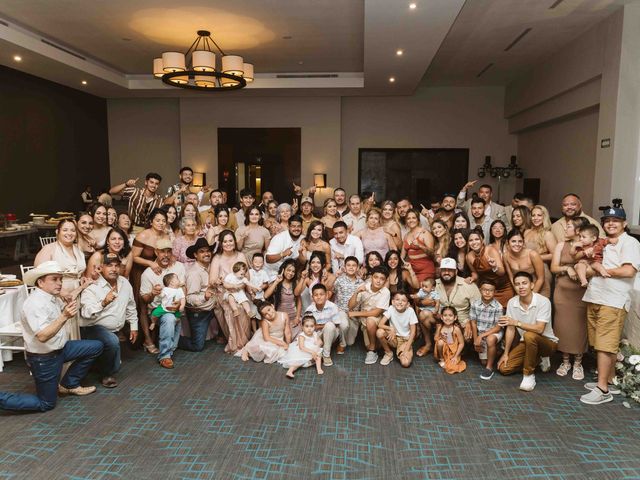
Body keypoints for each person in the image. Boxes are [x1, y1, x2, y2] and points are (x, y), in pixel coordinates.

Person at [0, 261, 103, 412]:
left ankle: (69, 384)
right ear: (40, 282)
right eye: (54, 279)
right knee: (46, 404)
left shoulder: (51, 297)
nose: (59, 283)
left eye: (60, 279)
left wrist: (82, 287)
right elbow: (42, 336)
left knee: (96, 346)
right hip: (44, 359)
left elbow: (68, 298)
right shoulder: (35, 304)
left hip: (61, 349)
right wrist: (64, 316)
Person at [580, 205, 640, 405]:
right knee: (602, 343)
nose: (611, 224)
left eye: (615, 221)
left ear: (624, 224)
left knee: (605, 345)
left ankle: (602, 388)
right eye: (607, 221)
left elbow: (628, 271)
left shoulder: (630, 243)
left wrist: (601, 270)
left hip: (613, 300)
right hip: (596, 296)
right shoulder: (603, 243)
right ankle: (611, 380)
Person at [79, 253, 138, 388]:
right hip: (92, 329)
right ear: (101, 267)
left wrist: (134, 326)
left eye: (117, 265)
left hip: (115, 330)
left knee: (116, 365)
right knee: (112, 342)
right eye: (109, 265)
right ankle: (105, 375)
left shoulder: (125, 283)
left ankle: (96, 363)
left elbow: (131, 306)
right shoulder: (92, 286)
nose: (114, 269)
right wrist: (103, 302)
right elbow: (85, 313)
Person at [497, 271, 558, 392]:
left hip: (548, 343)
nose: (521, 287)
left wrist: (517, 323)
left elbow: (539, 329)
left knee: (530, 335)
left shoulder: (543, 301)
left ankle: (528, 375)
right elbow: (510, 329)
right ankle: (538, 358)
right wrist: (506, 353)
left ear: (532, 285)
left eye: (524, 283)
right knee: (504, 369)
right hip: (526, 342)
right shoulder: (512, 302)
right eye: (517, 284)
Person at [34, 219, 89, 340]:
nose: (69, 233)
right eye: (65, 230)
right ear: (57, 232)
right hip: (58, 294)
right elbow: (38, 276)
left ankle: (74, 355)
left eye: (72, 230)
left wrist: (82, 278)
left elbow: (78, 270)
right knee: (62, 326)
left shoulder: (78, 249)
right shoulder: (49, 249)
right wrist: (61, 292)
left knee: (73, 326)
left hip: (76, 293)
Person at [550, 217, 590, 380]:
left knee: (579, 326)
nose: (565, 229)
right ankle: (565, 361)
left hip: (581, 293)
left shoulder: (589, 246)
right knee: (563, 326)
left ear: (578, 230)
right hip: (562, 293)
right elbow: (553, 267)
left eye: (569, 227)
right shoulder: (561, 245)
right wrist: (567, 268)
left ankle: (578, 363)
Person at [139, 238, 186, 367]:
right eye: (162, 252)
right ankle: (164, 356)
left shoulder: (179, 267)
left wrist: (180, 303)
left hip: (175, 309)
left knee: (174, 344)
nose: (166, 255)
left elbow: (183, 288)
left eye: (168, 251)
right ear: (156, 252)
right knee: (169, 318)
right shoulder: (148, 274)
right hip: (158, 312)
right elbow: (144, 299)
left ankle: (168, 349)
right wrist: (153, 293)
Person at [131, 208, 169, 353]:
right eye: (158, 220)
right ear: (151, 221)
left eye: (163, 221)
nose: (160, 223)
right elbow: (134, 256)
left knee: (159, 300)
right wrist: (150, 263)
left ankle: (157, 336)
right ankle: (147, 340)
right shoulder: (143, 235)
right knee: (143, 305)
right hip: (141, 270)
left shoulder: (165, 235)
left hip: (159, 271)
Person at [209, 230, 252, 353]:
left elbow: (247, 277)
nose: (228, 244)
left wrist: (238, 285)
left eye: (230, 240)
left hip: (240, 290)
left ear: (234, 241)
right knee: (231, 308)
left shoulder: (240, 256)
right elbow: (211, 280)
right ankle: (235, 342)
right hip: (223, 292)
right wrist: (218, 281)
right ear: (221, 244)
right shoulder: (217, 258)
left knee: (243, 307)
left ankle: (243, 340)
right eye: (225, 241)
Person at [432, 258, 481, 352]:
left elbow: (478, 308)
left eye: (450, 270)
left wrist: (469, 322)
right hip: (442, 319)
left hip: (462, 321)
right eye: (444, 270)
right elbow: (423, 300)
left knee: (467, 338)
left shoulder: (468, 285)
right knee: (424, 315)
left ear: (456, 271)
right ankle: (433, 344)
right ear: (440, 271)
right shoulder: (435, 284)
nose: (446, 272)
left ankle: (462, 347)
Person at [178, 238, 217, 352]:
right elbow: (189, 298)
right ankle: (172, 339)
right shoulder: (194, 273)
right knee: (197, 345)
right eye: (202, 251)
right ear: (195, 255)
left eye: (208, 251)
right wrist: (204, 296)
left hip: (213, 308)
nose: (206, 254)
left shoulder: (211, 267)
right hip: (199, 313)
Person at [347, 266, 390, 365]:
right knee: (369, 342)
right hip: (364, 321)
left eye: (382, 279)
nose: (378, 281)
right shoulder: (364, 286)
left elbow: (376, 313)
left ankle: (372, 350)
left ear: (385, 281)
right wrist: (356, 292)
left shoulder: (385, 292)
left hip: (376, 319)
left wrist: (356, 313)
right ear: (371, 277)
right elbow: (350, 306)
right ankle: (374, 344)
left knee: (370, 320)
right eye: (376, 277)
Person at [466, 228, 513, 308]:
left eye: (477, 239)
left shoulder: (490, 250)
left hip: (503, 288)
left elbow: (502, 272)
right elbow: (475, 273)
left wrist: (494, 266)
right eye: (471, 240)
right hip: (487, 290)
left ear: (482, 240)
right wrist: (472, 278)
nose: (474, 242)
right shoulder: (468, 256)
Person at [305, 284, 347, 367]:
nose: (319, 297)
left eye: (321, 294)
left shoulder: (332, 306)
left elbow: (336, 323)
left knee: (330, 325)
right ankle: (317, 354)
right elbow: (307, 326)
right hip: (316, 335)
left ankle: (326, 355)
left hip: (331, 333)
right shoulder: (309, 309)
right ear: (312, 297)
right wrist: (316, 326)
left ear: (326, 295)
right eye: (316, 295)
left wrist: (318, 325)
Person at [470, 279, 504, 380]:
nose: (487, 292)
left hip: (494, 332)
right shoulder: (474, 304)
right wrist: (476, 339)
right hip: (481, 332)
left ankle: (489, 368)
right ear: (480, 290)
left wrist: (481, 336)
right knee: (483, 361)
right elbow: (473, 322)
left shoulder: (498, 307)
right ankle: (497, 351)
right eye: (485, 290)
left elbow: (498, 327)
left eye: (491, 290)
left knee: (490, 340)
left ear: (495, 292)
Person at [376, 290, 418, 367]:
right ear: (393, 302)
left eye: (403, 300)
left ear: (408, 304)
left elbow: (413, 333)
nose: (400, 302)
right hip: (393, 337)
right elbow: (380, 324)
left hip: (405, 340)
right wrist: (391, 329)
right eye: (397, 299)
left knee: (405, 363)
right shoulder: (391, 308)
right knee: (379, 332)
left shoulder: (410, 311)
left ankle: (402, 351)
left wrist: (405, 350)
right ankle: (389, 353)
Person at [503, 229, 548, 297]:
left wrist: (531, 296)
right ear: (507, 242)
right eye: (513, 241)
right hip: (521, 291)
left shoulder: (532, 255)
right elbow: (511, 277)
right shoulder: (506, 256)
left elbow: (541, 278)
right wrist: (518, 292)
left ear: (523, 243)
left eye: (520, 241)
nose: (517, 244)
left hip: (539, 289)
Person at [264, 259, 302, 337]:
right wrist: (277, 281)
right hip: (279, 318)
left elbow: (299, 302)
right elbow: (266, 295)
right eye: (288, 270)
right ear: (283, 269)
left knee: (296, 337)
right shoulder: (277, 282)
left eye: (293, 271)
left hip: (292, 317)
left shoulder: (296, 283)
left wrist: (297, 317)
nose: (290, 273)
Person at [265, 215, 304, 281]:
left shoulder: (303, 239)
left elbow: (302, 261)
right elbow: (268, 259)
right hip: (273, 272)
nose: (296, 229)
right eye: (293, 226)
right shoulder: (279, 238)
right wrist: (282, 254)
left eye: (299, 226)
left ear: (302, 227)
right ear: (288, 227)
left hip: (290, 272)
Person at [402, 209, 436, 281]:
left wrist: (420, 246)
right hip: (412, 271)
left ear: (418, 220)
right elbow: (402, 256)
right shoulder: (406, 236)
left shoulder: (425, 233)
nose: (411, 220)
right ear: (406, 221)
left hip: (426, 270)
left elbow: (432, 254)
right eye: (408, 218)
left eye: (414, 218)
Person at [434, 306, 466, 374]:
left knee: (452, 368)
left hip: (453, 352)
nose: (448, 318)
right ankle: (442, 359)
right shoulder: (440, 327)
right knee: (440, 342)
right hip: (443, 351)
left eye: (450, 315)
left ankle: (450, 360)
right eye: (445, 315)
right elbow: (435, 338)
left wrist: (455, 356)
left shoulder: (456, 329)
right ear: (442, 317)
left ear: (455, 318)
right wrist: (440, 337)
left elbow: (461, 343)